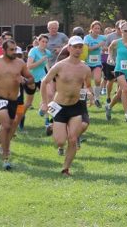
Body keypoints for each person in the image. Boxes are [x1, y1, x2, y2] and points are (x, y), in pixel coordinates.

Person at [0, 40, 36, 170]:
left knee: (8, 128)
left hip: (14, 100)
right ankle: (5, 158)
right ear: (4, 50)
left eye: (15, 49)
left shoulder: (20, 64)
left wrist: (25, 81)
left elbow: (31, 78)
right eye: (11, 50)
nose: (14, 52)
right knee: (7, 125)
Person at [41, 37, 93, 176]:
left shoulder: (85, 68)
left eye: (80, 47)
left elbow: (87, 86)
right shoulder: (59, 66)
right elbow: (44, 82)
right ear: (69, 48)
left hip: (75, 107)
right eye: (75, 47)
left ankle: (65, 169)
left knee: (73, 139)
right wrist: (44, 102)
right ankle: (53, 128)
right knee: (60, 141)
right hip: (59, 107)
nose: (77, 49)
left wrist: (89, 95)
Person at [83, 21, 109, 106]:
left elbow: (108, 45)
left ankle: (97, 98)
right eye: (95, 28)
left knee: (98, 80)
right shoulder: (87, 38)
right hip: (87, 63)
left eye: (99, 28)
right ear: (91, 29)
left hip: (97, 63)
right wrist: (98, 46)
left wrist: (106, 48)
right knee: (87, 83)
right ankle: (84, 100)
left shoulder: (102, 37)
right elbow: (87, 49)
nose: (97, 30)